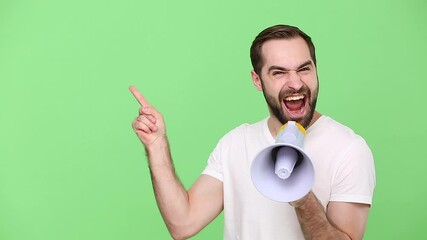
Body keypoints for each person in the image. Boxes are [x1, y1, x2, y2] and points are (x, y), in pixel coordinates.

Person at [130, 24, 376, 240]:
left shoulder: (349, 149)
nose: (296, 83)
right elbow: (183, 224)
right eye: (279, 72)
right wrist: (156, 145)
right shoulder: (235, 143)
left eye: (304, 69)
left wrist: (301, 196)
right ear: (257, 80)